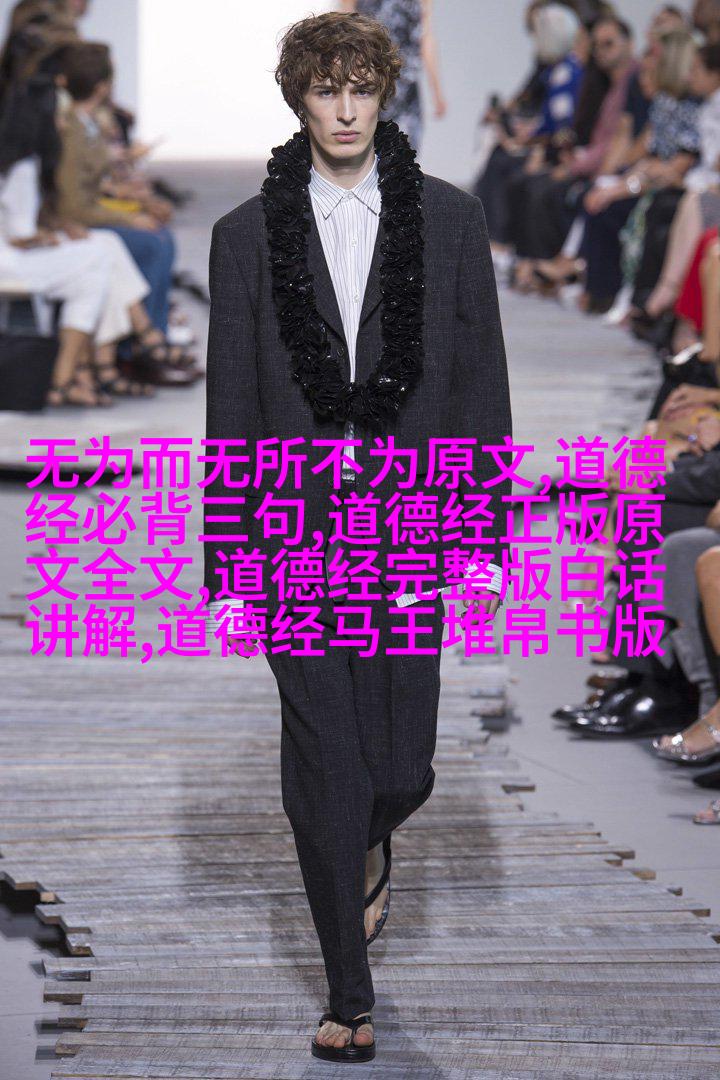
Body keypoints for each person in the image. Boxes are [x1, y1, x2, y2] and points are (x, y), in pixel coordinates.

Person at [201, 10, 511, 1063]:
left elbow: (479, 391)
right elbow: (231, 408)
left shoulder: (452, 221)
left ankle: (373, 837)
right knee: (328, 759)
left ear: (384, 95)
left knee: (402, 763)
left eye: (360, 89)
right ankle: (349, 991)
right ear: (298, 98)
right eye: (324, 89)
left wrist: (482, 542)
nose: (343, 110)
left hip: (414, 525)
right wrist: (229, 565)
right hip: (291, 530)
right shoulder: (245, 235)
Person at [341, 0, 446, 152]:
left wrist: (437, 92)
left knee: (406, 152)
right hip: (369, 85)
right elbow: (345, 32)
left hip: (407, 89)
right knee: (367, 151)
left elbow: (425, 38)